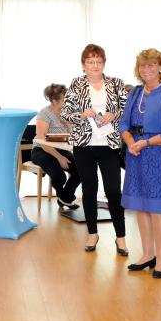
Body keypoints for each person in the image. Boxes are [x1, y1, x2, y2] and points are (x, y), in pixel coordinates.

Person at [120, 49, 161, 278]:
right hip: (135, 154)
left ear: (160, 67)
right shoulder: (135, 92)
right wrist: (130, 143)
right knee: (141, 206)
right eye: (142, 66)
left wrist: (144, 143)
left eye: (151, 65)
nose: (146, 70)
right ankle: (147, 254)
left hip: (158, 154)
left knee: (157, 210)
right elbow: (124, 124)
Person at [61, 44, 128, 255]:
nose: (95, 66)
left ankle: (121, 237)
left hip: (109, 146)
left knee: (114, 192)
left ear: (104, 63)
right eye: (90, 62)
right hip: (83, 146)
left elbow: (127, 111)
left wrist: (114, 114)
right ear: (83, 65)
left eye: (99, 62)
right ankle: (92, 233)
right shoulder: (76, 84)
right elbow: (66, 114)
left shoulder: (116, 84)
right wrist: (83, 114)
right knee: (89, 190)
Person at [32, 83, 81, 209]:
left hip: (61, 149)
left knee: (81, 171)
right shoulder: (44, 113)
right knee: (59, 177)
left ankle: (64, 198)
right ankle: (64, 198)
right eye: (66, 98)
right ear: (54, 100)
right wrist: (59, 158)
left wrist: (68, 122)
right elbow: (42, 141)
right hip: (42, 150)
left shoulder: (67, 112)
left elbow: (73, 133)